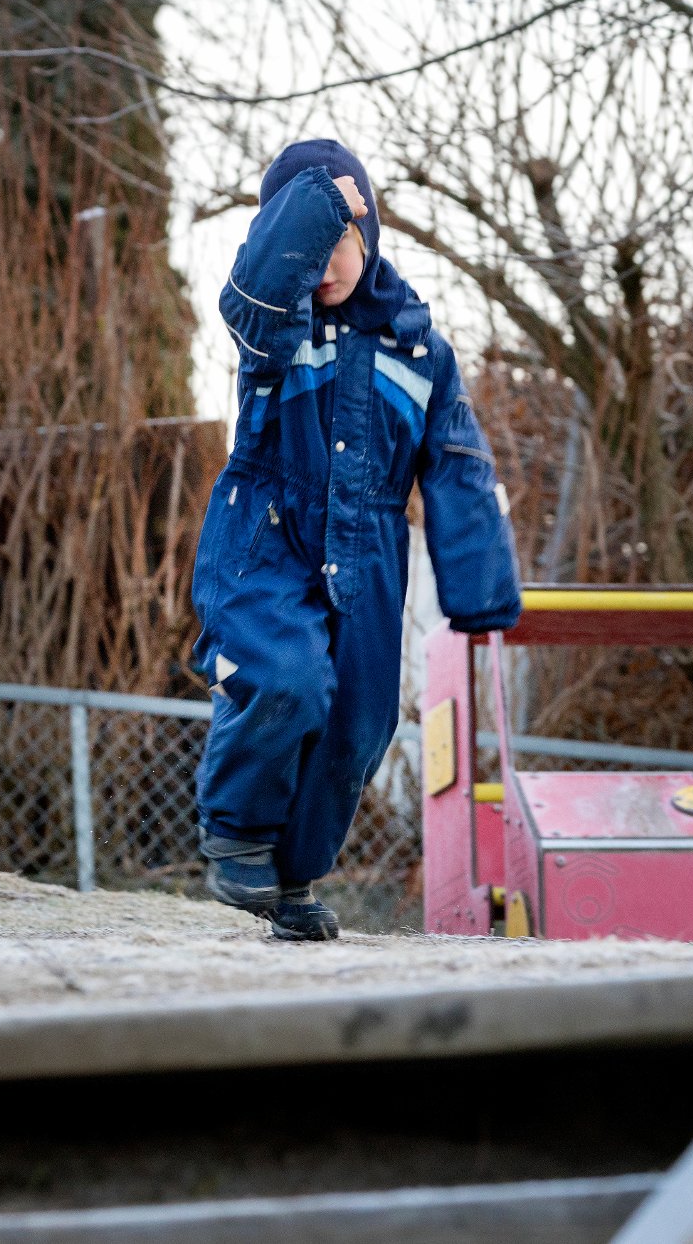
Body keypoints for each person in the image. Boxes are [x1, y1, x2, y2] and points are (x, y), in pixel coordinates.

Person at [191, 139, 523, 941]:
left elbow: (459, 464)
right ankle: (236, 833)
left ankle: (293, 879)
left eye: (340, 240)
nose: (323, 264)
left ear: (369, 233)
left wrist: (480, 589)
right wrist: (315, 206)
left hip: (370, 550)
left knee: (360, 726)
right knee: (288, 678)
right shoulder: (275, 330)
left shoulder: (421, 350)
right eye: (306, 243)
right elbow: (255, 292)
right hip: (268, 533)